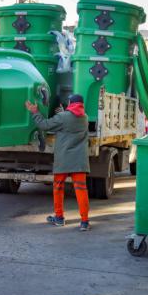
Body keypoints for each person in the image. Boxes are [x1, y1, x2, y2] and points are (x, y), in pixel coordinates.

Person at [25, 94, 91, 231]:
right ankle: (84, 221)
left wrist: (35, 112)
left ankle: (59, 218)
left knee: (58, 188)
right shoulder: (85, 118)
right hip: (79, 161)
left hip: (64, 160)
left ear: (70, 103)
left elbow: (44, 125)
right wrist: (62, 113)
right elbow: (70, 121)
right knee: (81, 191)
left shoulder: (63, 117)